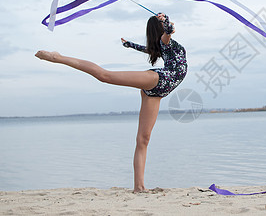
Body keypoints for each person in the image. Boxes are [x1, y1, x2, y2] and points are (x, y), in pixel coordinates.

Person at [35, 13, 188, 193]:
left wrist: (129, 44)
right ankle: (58, 57)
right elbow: (169, 29)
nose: (166, 25)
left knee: (143, 139)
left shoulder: (161, 45)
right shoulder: (165, 39)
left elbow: (148, 49)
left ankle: (139, 187)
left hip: (159, 92)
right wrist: (166, 19)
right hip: (159, 79)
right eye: (162, 23)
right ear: (160, 27)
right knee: (105, 76)